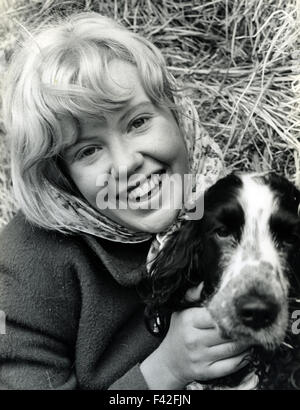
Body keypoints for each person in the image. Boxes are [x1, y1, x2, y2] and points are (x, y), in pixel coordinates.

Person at [0, 12, 253, 390]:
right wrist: (165, 371)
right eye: (88, 151)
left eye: (138, 122)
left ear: (176, 114)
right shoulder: (24, 271)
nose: (126, 163)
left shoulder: (219, 197)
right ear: (61, 178)